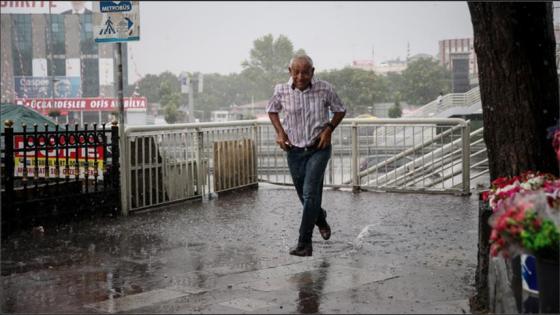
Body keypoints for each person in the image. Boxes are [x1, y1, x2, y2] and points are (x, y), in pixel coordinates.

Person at [266, 54, 346, 257]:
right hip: (293, 151)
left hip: (318, 148)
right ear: (290, 71)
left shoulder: (324, 88)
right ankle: (320, 217)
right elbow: (272, 110)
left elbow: (340, 110)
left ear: (313, 72)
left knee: (310, 193)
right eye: (296, 72)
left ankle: (304, 243)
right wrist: (280, 133)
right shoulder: (281, 90)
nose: (301, 76)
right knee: (305, 196)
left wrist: (329, 128)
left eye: (305, 72)